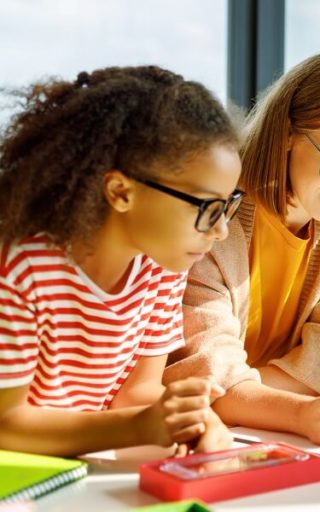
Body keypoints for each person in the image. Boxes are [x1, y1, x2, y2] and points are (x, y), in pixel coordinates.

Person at [0, 66, 240, 456]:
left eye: (227, 205)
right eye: (207, 206)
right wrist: (138, 427)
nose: (221, 230)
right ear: (120, 191)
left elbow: (138, 392)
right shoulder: (20, 268)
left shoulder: (161, 267)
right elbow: (6, 425)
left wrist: (194, 419)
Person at [164, 52, 320, 445]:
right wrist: (294, 409)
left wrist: (243, 394)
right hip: (197, 439)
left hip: (254, 435)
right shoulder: (213, 217)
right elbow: (202, 375)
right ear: (287, 132)